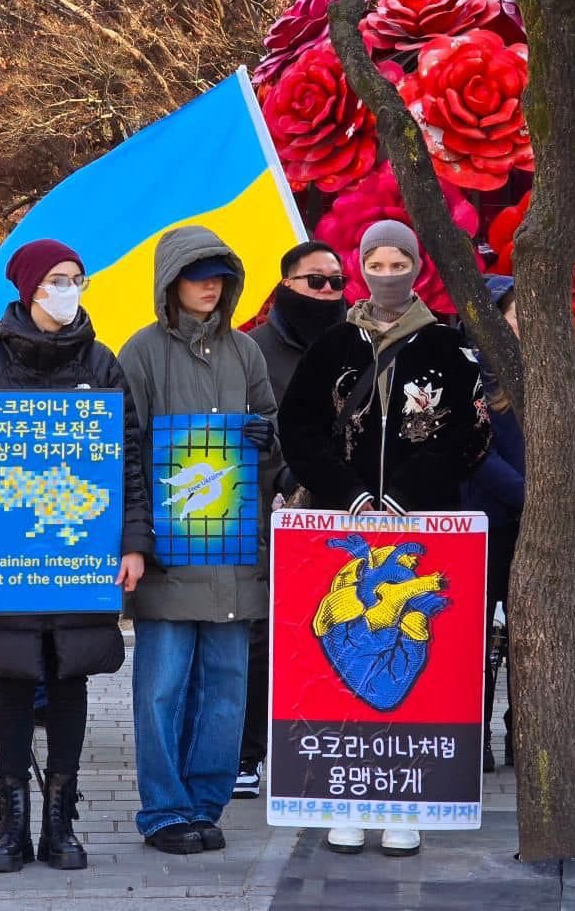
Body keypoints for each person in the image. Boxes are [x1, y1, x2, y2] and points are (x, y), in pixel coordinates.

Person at [0, 239, 152, 872]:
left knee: (69, 677)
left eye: (77, 278)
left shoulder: (103, 363)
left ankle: (61, 821)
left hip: (82, 557)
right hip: (7, 559)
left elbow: (129, 465)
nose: (70, 289)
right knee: (10, 677)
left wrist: (133, 545)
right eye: (59, 279)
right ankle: (11, 826)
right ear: (30, 288)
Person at [280, 219, 491, 857]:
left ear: (418, 267)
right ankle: (343, 800)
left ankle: (410, 806)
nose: (388, 272)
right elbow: (299, 425)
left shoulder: (448, 348)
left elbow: (471, 434)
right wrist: (350, 494)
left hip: (425, 530)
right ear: (361, 266)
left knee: (418, 663)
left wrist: (406, 494)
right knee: (341, 659)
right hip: (340, 529)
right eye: (377, 261)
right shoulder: (334, 344)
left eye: (401, 261)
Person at [119, 226, 279, 856]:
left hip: (234, 557)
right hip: (166, 553)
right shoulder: (140, 352)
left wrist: (269, 440)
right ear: (170, 281)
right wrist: (137, 535)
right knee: (161, 688)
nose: (210, 285)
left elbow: (273, 433)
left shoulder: (247, 353)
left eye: (219, 273)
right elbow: (125, 451)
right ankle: (163, 808)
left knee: (226, 687)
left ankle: (204, 805)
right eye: (197, 273)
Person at [235, 239, 348, 799]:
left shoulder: (359, 344)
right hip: (273, 512)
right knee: (262, 637)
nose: (327, 291)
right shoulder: (254, 349)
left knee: (336, 628)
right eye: (315, 281)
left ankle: (323, 743)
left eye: (336, 282)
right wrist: (287, 480)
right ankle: (247, 754)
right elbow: (253, 426)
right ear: (286, 284)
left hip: (346, 514)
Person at [463, 276, 523, 773]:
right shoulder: (469, 375)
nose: (522, 319)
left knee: (531, 639)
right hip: (483, 524)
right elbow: (474, 451)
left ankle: (522, 731)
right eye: (511, 311)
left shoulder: (545, 371)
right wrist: (533, 497)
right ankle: (474, 729)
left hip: (534, 531)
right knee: (475, 638)